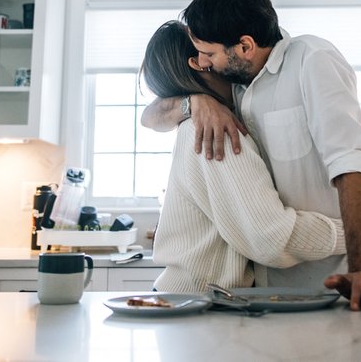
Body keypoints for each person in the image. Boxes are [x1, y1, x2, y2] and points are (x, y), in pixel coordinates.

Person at [142, 0, 361, 312]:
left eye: (208, 54)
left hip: (332, 287)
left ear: (244, 46)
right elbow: (150, 115)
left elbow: (352, 162)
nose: (204, 62)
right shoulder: (220, 110)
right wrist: (193, 101)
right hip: (256, 299)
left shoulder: (309, 61)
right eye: (198, 57)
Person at [140, 20, 347, 293]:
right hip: (198, 305)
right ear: (199, 62)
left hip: (187, 298)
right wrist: (355, 234)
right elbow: (270, 237)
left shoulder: (198, 121)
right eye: (211, 51)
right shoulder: (214, 130)